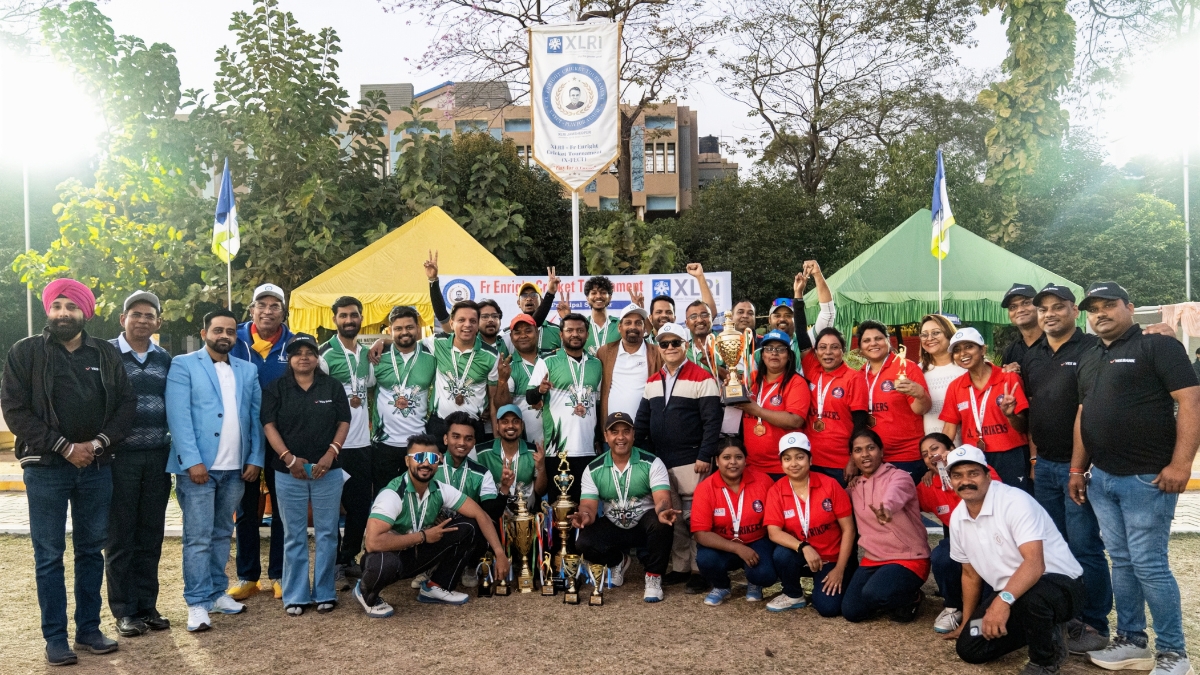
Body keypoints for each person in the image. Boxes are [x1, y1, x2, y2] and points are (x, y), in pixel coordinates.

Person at [2, 279, 136, 665]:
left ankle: (89, 629)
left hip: (96, 466)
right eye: (57, 306)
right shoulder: (25, 352)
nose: (63, 313)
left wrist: (96, 445)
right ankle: (55, 637)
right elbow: (14, 409)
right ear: (49, 309)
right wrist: (63, 447)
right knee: (49, 554)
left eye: (71, 306)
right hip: (45, 468)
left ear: (85, 312)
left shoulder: (105, 354)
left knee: (91, 550)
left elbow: (126, 405)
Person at [1071, 282, 1200, 675]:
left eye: (1108, 305)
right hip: (1102, 478)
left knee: (1149, 565)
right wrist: (1077, 468)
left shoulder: (1157, 345)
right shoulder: (1091, 355)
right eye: (1093, 309)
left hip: (1147, 479)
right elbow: (1084, 413)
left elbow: (1191, 400)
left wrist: (1182, 465)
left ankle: (1174, 653)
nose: (1100, 313)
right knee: (1123, 562)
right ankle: (1131, 641)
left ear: (1129, 307)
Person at [1021, 283, 1113, 653]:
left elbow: (1086, 411)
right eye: (1043, 309)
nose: (1050, 314)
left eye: (1058, 306)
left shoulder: (1093, 348)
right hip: (1044, 466)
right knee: (1052, 546)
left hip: (1079, 468)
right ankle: (1065, 615)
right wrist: (1033, 459)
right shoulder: (1033, 355)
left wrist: (1078, 469)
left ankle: (1094, 623)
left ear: (1075, 311)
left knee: (1085, 546)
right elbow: (1032, 411)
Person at [946, 445, 1086, 675]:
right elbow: (970, 575)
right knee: (970, 646)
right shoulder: (957, 518)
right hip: (1012, 595)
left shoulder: (1015, 501)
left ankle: (1044, 662)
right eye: (957, 475)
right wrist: (966, 622)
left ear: (988, 475)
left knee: (1034, 600)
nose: (966, 481)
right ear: (951, 481)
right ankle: (1044, 627)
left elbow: (1034, 564)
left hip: (1058, 585)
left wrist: (1001, 604)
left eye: (973, 473)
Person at [165, 308, 263, 633]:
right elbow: (178, 416)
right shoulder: (183, 365)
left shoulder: (247, 370)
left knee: (223, 533)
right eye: (218, 330)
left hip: (236, 469)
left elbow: (256, 417)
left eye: (230, 331)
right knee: (198, 538)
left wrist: (255, 459)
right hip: (199, 470)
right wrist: (191, 461)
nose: (224, 336)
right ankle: (197, 602)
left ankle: (217, 592)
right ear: (204, 332)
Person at [354, 434, 511, 616]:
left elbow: (480, 514)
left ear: (439, 461)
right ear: (407, 461)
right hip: (389, 555)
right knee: (384, 563)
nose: (426, 463)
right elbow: (372, 542)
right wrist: (423, 536)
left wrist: (500, 553)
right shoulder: (392, 494)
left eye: (432, 458)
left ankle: (436, 586)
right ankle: (366, 591)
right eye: (419, 457)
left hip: (417, 552)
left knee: (470, 526)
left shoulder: (440, 489)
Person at [262, 333, 351, 616]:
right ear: (289, 358)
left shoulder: (332, 386)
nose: (304, 357)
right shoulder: (276, 388)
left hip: (328, 471)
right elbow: (269, 425)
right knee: (294, 535)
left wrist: (331, 453)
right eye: (297, 353)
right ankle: (296, 595)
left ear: (316, 357)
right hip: (289, 472)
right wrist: (288, 459)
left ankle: (325, 592)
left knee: (327, 533)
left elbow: (344, 421)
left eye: (309, 352)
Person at [634, 322, 723, 592]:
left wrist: (705, 454)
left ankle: (699, 569)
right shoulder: (652, 381)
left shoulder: (703, 377)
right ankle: (682, 566)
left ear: (686, 345)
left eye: (675, 342)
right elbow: (642, 421)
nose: (670, 347)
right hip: (662, 462)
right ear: (659, 348)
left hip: (693, 460)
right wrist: (637, 453)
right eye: (664, 343)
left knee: (696, 518)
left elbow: (712, 422)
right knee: (674, 517)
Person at [106, 291, 173, 637]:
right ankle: (124, 611)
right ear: (123, 319)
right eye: (136, 314)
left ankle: (147, 606)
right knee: (121, 536)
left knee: (151, 534)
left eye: (150, 315)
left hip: (157, 456)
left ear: (158, 322)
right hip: (119, 458)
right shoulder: (105, 354)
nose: (143, 320)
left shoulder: (165, 358)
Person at [229, 283, 293, 601]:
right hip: (243, 437)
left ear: (284, 311)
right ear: (251, 309)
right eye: (261, 305)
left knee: (283, 508)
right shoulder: (233, 338)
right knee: (246, 508)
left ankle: (279, 574)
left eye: (275, 305)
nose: (268, 311)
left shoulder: (295, 344)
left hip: (282, 438)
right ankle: (248, 576)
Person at [572, 412, 678, 602]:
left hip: (643, 525)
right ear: (606, 436)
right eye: (614, 432)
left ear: (633, 434)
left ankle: (653, 577)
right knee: (583, 542)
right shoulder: (593, 469)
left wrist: (664, 511)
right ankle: (618, 561)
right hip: (614, 524)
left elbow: (662, 498)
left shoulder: (652, 462)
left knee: (661, 523)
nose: (620, 437)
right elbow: (588, 506)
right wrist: (584, 516)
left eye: (626, 431)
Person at [842, 428, 931, 623]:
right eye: (858, 450)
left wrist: (888, 508)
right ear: (852, 457)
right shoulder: (855, 486)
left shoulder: (899, 476)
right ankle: (887, 594)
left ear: (881, 451)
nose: (865, 454)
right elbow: (835, 503)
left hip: (908, 558)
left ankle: (913, 597)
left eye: (870, 448)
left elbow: (895, 494)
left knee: (875, 594)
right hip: (873, 558)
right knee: (852, 611)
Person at [317, 296, 376, 591]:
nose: (349, 320)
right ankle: (332, 565)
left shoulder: (367, 354)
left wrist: (384, 340)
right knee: (330, 509)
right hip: (335, 446)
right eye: (343, 316)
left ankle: (347, 558)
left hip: (362, 444)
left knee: (360, 507)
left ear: (361, 318)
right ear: (335, 320)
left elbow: (370, 388)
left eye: (354, 315)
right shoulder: (324, 354)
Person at [765, 432, 856, 616]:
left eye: (800, 457)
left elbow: (849, 530)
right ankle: (793, 594)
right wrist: (803, 547)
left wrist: (839, 569)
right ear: (781, 463)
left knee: (828, 609)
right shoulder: (776, 490)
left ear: (810, 459)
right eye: (787, 459)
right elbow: (774, 532)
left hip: (830, 558)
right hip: (800, 553)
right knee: (782, 555)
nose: (794, 463)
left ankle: (826, 585)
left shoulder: (830, 485)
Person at [917, 433, 1000, 635]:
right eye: (925, 454)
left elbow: (997, 490)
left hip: (993, 541)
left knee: (982, 627)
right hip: (962, 542)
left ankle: (986, 610)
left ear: (951, 448)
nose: (931, 455)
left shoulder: (979, 473)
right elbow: (903, 500)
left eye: (935, 449)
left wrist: (955, 464)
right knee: (941, 556)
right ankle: (953, 607)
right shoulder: (928, 486)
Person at [940, 327, 1031, 491]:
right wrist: (942, 452)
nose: (963, 353)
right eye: (957, 350)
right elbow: (949, 427)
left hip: (1010, 454)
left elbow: (1023, 426)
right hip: (974, 457)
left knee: (1014, 501)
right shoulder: (955, 387)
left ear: (983, 349)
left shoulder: (1008, 378)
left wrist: (1010, 416)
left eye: (969, 346)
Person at [526, 313, 603, 503]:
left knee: (587, 505)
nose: (575, 334)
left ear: (587, 334)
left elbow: (598, 404)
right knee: (560, 508)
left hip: (588, 449)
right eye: (570, 330)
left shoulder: (596, 364)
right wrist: (540, 390)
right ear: (561, 334)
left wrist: (599, 439)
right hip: (558, 449)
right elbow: (530, 397)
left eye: (580, 330)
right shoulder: (547, 361)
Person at [691, 438, 776, 606]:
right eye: (726, 457)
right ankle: (721, 586)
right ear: (717, 461)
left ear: (745, 460)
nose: (733, 462)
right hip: (723, 544)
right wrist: (738, 548)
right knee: (706, 559)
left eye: (738, 457)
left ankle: (755, 582)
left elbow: (775, 520)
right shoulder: (705, 488)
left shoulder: (763, 481)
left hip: (756, 541)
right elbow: (701, 534)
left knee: (765, 575)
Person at [422, 299, 509, 443]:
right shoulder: (437, 342)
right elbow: (409, 346)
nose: (467, 325)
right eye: (461, 320)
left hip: (473, 427)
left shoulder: (492, 356)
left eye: (472, 321)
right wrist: (383, 342)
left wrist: (497, 439)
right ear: (452, 323)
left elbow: (493, 400)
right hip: (439, 424)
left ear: (477, 324)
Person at [856, 320, 931, 483]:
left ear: (888, 341)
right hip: (873, 459)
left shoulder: (906, 368)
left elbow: (921, 409)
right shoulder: (859, 375)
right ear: (860, 348)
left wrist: (920, 395)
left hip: (906, 457)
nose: (873, 343)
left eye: (878, 338)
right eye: (867, 340)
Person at [371, 306, 437, 488]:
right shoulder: (377, 356)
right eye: (398, 328)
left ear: (418, 328)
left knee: (419, 493)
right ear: (390, 331)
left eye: (409, 327)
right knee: (385, 494)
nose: (404, 332)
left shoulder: (431, 354)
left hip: (419, 442)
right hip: (384, 443)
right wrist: (380, 341)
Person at [735, 330, 809, 478]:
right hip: (751, 466)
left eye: (781, 349)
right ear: (762, 355)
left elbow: (795, 420)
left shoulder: (796, 382)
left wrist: (757, 410)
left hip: (782, 468)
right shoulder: (752, 380)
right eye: (769, 349)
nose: (774, 353)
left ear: (789, 356)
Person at [801, 327, 869, 486]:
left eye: (834, 347)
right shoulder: (812, 369)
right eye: (822, 347)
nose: (828, 352)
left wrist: (853, 460)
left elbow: (860, 423)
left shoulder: (854, 378)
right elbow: (802, 336)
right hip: (810, 460)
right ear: (816, 351)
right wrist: (796, 308)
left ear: (843, 351)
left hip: (840, 464)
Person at [596, 304, 663, 423]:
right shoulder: (604, 352)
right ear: (619, 327)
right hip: (612, 429)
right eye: (628, 323)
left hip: (646, 429)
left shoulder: (658, 353)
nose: (633, 327)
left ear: (644, 327)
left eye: (638, 323)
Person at [473, 404, 547, 510]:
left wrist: (541, 468)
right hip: (495, 515)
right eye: (505, 422)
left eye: (515, 421)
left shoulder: (534, 451)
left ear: (522, 425)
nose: (510, 426)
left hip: (527, 515)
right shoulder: (481, 452)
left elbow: (540, 491)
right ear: (497, 426)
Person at [501, 314, 547, 446]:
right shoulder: (509, 368)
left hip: (558, 440)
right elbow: (502, 407)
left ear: (537, 333)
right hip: (527, 444)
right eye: (517, 332)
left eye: (528, 331)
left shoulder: (551, 360)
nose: (523, 336)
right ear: (511, 337)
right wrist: (502, 381)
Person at [918, 313, 966, 437]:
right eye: (924, 335)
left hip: (967, 441)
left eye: (936, 333)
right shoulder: (917, 371)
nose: (929, 338)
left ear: (949, 334)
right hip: (930, 442)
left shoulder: (967, 366)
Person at [1001, 283, 1041, 368]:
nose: (1020, 310)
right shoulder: (1010, 352)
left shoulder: (1055, 341)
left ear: (1039, 306)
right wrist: (1009, 374)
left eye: (1026, 303)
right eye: (1013, 307)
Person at [581, 275, 620, 355]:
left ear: (610, 297)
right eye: (594, 293)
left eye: (603, 292)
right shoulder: (581, 326)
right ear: (587, 298)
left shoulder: (619, 325)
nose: (598, 296)